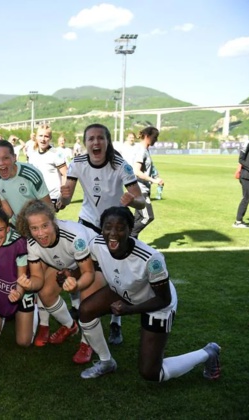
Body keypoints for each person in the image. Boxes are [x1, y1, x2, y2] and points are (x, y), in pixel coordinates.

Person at [72, 206, 221, 381]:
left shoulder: (151, 259)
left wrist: (129, 309)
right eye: (107, 227)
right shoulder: (97, 244)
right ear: (102, 228)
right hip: (124, 291)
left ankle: (208, 352)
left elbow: (164, 299)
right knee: (86, 310)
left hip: (156, 303)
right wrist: (70, 276)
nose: (113, 233)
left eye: (120, 228)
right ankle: (106, 362)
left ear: (130, 229)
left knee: (151, 372)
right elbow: (92, 267)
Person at [61, 123, 145, 346]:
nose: (96, 142)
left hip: (114, 226)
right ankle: (79, 310)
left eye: (100, 138)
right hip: (88, 222)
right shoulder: (77, 163)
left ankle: (116, 320)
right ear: (85, 143)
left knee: (114, 272)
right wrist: (63, 198)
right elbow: (67, 197)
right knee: (78, 268)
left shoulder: (120, 165)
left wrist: (132, 199)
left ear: (108, 142)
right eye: (91, 139)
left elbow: (141, 200)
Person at [15, 200, 98, 364]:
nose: (40, 233)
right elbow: (38, 278)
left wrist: (77, 285)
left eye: (45, 226)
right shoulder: (32, 242)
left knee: (87, 302)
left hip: (95, 261)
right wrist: (29, 285)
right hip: (68, 262)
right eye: (34, 228)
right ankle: (70, 326)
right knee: (45, 293)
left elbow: (88, 272)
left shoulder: (74, 237)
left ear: (54, 222)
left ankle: (88, 343)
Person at [0, 206, 35, 346]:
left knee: (24, 342)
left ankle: (33, 313)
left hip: (19, 290)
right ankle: (5, 316)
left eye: (0, 230)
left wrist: (18, 293)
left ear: (7, 229)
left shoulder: (19, 243)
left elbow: (22, 276)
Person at [0, 140, 53, 224]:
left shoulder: (30, 174)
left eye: (6, 158)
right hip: (18, 228)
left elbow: (48, 207)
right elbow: (8, 212)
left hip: (38, 226)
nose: (1, 163)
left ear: (14, 157)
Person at [130, 127, 163, 238]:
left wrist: (156, 176)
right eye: (155, 137)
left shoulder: (146, 150)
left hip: (143, 189)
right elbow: (136, 171)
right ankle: (128, 237)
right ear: (147, 137)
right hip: (140, 190)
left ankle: (131, 245)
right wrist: (153, 180)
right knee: (148, 217)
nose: (156, 140)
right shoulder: (141, 151)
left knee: (137, 219)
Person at [26, 126, 67, 210]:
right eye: (40, 136)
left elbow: (65, 174)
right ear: (36, 137)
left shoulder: (56, 153)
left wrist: (62, 197)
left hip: (51, 198)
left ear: (50, 138)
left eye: (46, 136)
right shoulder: (32, 153)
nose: (43, 139)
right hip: (35, 197)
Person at [234, 131, 249, 228]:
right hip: (247, 176)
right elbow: (241, 159)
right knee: (246, 197)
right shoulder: (248, 143)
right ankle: (238, 221)